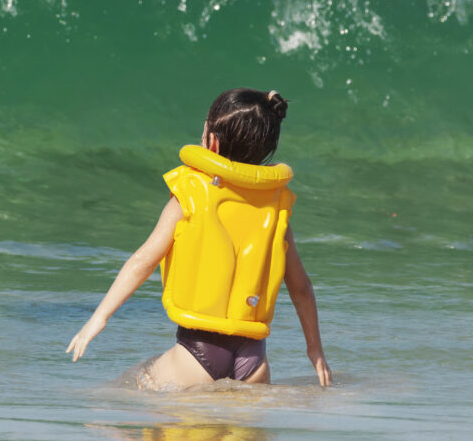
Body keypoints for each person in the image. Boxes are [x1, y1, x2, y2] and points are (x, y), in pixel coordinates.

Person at [66, 88, 332, 388]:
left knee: (125, 399)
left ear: (212, 143)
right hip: (254, 360)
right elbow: (301, 288)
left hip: (197, 355)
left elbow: (143, 260)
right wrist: (315, 350)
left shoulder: (190, 195)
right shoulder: (275, 210)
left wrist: (99, 318)